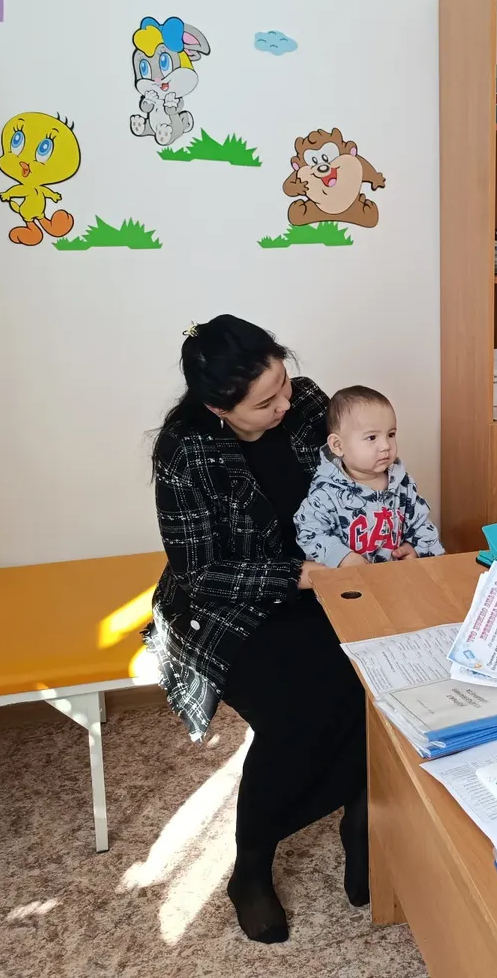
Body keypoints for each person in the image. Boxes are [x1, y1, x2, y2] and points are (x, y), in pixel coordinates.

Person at [142, 315, 368, 945]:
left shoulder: (309, 404)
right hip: (233, 608)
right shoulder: (184, 452)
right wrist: (298, 574)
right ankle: (251, 867)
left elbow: (364, 476)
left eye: (284, 385)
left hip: (328, 582)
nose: (285, 405)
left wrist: (386, 531)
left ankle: (361, 818)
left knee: (376, 679)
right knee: (297, 714)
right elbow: (201, 573)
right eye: (265, 403)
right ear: (219, 408)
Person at [294, 385, 444, 566]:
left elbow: (421, 523)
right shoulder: (326, 492)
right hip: (348, 580)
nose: (386, 446)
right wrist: (342, 557)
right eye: (372, 437)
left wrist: (414, 549)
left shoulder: (402, 482)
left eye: (391, 434)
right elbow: (309, 531)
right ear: (338, 446)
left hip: (395, 575)